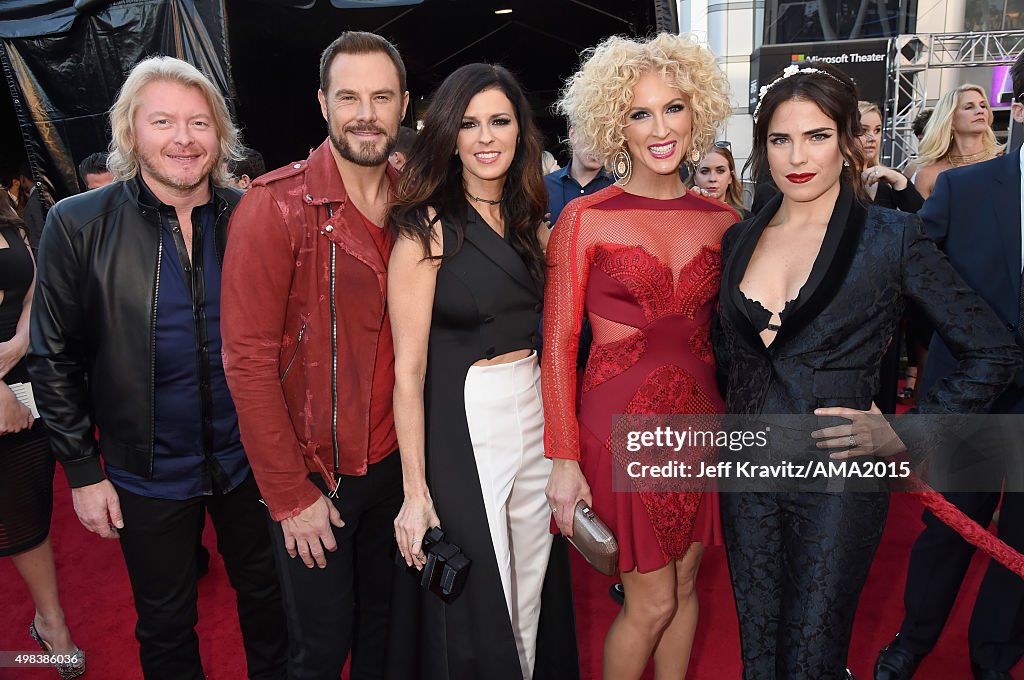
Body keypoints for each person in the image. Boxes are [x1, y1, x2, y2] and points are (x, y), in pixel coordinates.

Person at [713, 61, 1021, 680]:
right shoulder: (738, 239)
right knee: (758, 658)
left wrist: (911, 434)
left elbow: (994, 349)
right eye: (780, 139)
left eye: (817, 135)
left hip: (840, 479)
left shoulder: (892, 236)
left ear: (848, 140)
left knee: (812, 658)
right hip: (749, 473)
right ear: (762, 147)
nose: (797, 155)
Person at [28, 55, 288, 680]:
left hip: (250, 461)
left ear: (220, 136)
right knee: (166, 625)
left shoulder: (251, 215)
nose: (182, 138)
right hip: (144, 473)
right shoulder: (77, 224)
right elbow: (53, 353)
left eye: (199, 123)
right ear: (130, 133)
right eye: (163, 121)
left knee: (272, 607)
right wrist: (83, 471)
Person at [544, 33, 734, 679]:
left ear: (697, 111)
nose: (661, 129)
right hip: (617, 430)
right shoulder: (586, 218)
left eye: (673, 108)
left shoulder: (722, 220)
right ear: (613, 123)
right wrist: (564, 459)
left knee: (685, 588)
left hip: (701, 426)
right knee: (650, 600)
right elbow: (559, 344)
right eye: (639, 112)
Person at [220, 31, 407, 679]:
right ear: (322, 102)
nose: (366, 113)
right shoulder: (273, 207)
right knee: (321, 652)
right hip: (317, 478)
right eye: (349, 96)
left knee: (389, 636)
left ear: (404, 105)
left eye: (381, 97)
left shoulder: (419, 194)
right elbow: (245, 363)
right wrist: (288, 495)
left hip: (402, 471)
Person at [386, 62, 578, 680]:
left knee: (530, 577)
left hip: (533, 411)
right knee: (479, 584)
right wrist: (415, 492)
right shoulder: (427, 230)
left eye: (500, 121)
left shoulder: (532, 223)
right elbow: (407, 374)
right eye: (469, 124)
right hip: (464, 423)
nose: (486, 137)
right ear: (449, 134)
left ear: (522, 132)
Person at [873, 51, 1024, 680]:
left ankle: (995, 653)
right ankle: (913, 640)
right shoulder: (963, 189)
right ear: (1019, 108)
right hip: (970, 397)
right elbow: (902, 282)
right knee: (948, 531)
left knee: (1020, 540)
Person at [0, 212, 85, 680]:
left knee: (25, 512)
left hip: (26, 383)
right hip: (5, 393)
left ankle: (49, 620)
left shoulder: (9, 220)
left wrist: (20, 340)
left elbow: (36, 287)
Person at [914, 84, 1001, 198]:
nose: (980, 111)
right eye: (969, 107)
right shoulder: (928, 176)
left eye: (983, 106)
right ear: (950, 120)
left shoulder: (1005, 166)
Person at [857, 101, 924, 212]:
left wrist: (900, 181)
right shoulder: (835, 179)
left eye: (877, 130)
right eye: (863, 130)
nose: (872, 138)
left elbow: (920, 220)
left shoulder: (888, 180)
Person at [543, 126, 613, 225]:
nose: (597, 146)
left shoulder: (621, 187)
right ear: (572, 134)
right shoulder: (543, 186)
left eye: (606, 139)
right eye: (590, 137)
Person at [689, 141, 750, 217]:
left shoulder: (746, 220)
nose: (712, 178)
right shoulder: (682, 215)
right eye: (705, 171)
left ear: (730, 177)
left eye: (720, 171)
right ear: (694, 178)